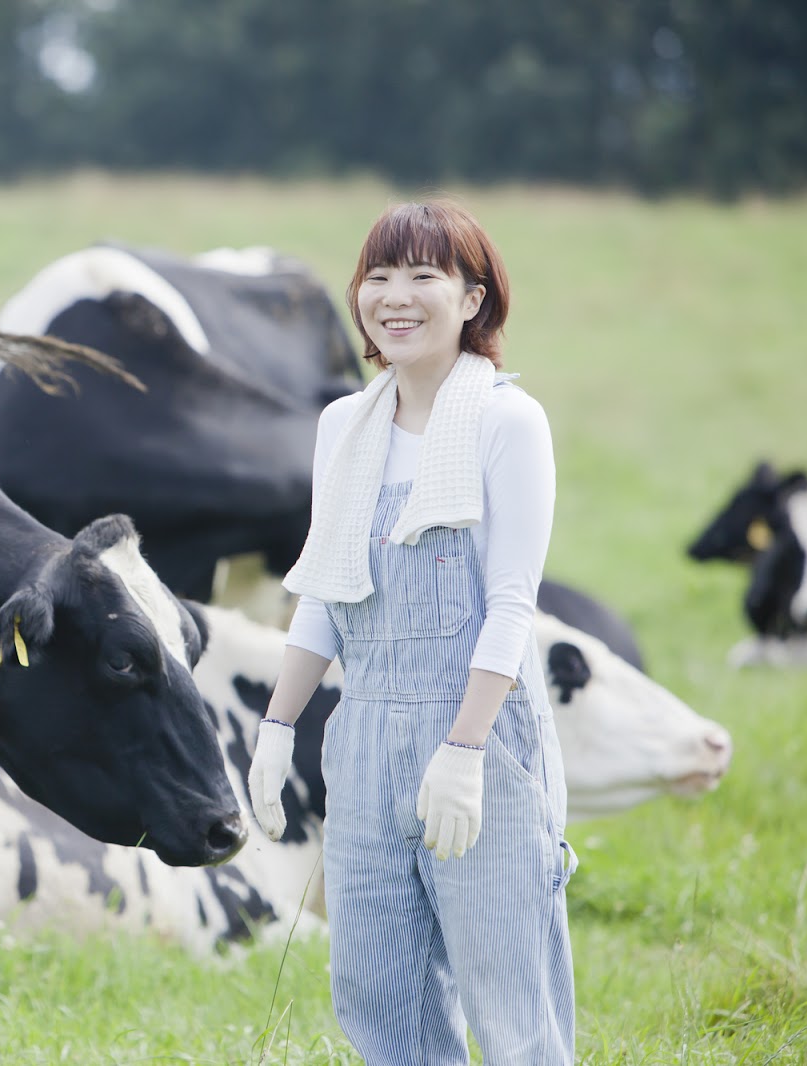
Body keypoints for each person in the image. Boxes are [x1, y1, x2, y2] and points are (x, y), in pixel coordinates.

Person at [247, 199, 576, 1065]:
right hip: (363, 739)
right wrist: (278, 728)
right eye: (378, 276)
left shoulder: (509, 422)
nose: (395, 295)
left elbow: (512, 602)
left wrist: (465, 751)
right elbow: (324, 590)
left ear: (473, 299)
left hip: (482, 739)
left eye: (425, 276)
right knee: (376, 990)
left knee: (510, 994)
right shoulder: (342, 427)